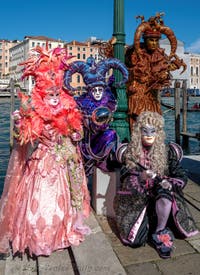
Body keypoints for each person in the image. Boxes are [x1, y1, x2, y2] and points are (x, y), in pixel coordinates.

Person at [0, 46, 91, 257]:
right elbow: (25, 138)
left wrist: (75, 131)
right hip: (40, 162)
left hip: (59, 162)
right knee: (37, 203)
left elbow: (75, 136)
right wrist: (21, 122)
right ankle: (36, 236)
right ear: (42, 93)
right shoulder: (33, 111)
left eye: (57, 93)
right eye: (50, 94)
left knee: (63, 199)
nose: (54, 97)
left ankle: (59, 232)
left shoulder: (68, 111)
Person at [114, 111, 199, 259]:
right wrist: (140, 176)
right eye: (144, 130)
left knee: (165, 193)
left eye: (153, 131)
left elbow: (180, 174)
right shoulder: (131, 152)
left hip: (160, 198)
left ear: (158, 133)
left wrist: (169, 183)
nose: (148, 134)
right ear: (138, 132)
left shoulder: (167, 152)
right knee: (136, 241)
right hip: (137, 199)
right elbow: (124, 175)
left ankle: (160, 231)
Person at [64, 57, 129, 177]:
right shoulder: (81, 104)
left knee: (112, 134)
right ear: (90, 91)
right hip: (85, 141)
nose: (98, 93)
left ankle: (111, 161)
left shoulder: (107, 101)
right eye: (95, 90)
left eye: (100, 90)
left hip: (100, 139)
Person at [125, 13, 186, 129]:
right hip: (137, 95)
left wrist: (167, 71)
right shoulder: (135, 53)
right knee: (138, 123)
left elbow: (159, 77)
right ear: (145, 39)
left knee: (153, 123)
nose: (154, 43)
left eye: (156, 40)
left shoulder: (159, 55)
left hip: (151, 97)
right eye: (151, 40)